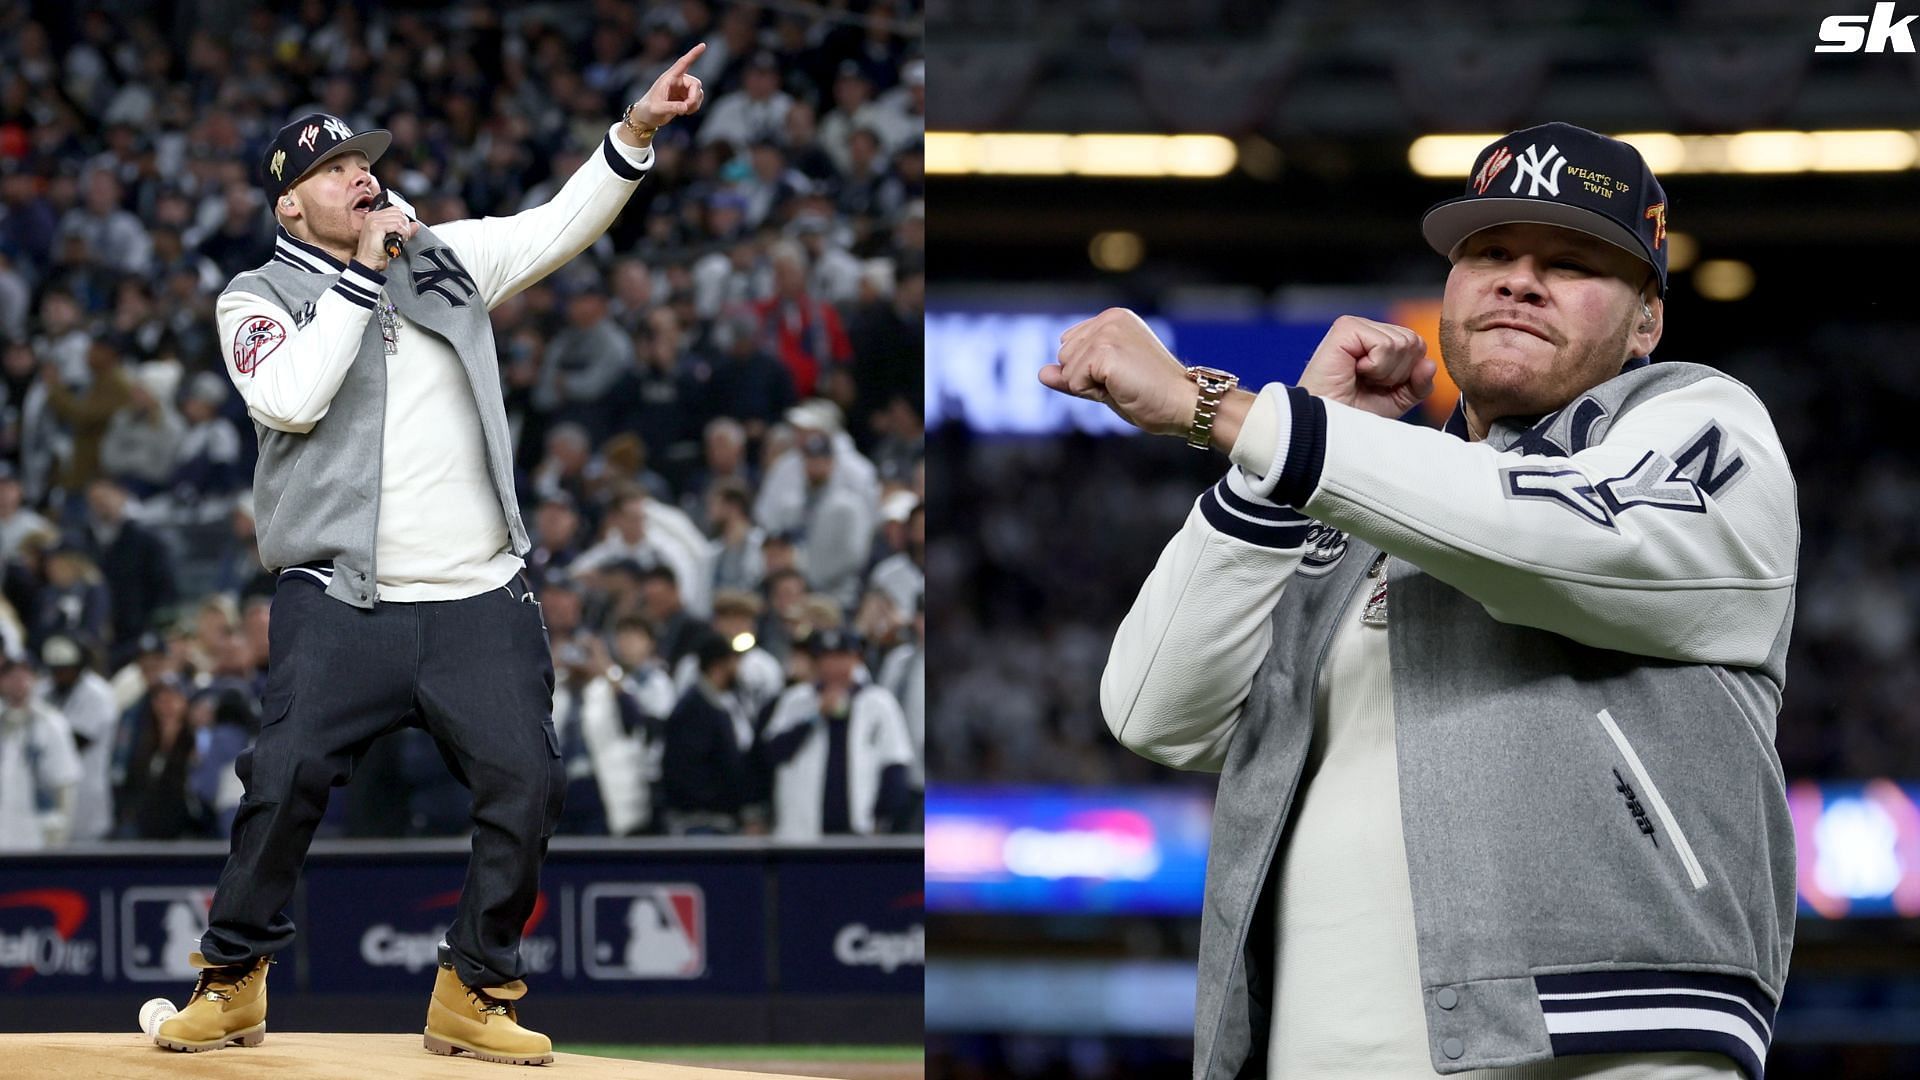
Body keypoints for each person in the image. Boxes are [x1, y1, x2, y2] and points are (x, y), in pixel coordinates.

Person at [1040, 123, 1797, 1080]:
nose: (1520, 280)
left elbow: (1543, 533)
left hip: (1601, 1037)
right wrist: (1271, 481)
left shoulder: (1702, 424)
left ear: (1645, 322)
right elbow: (1157, 712)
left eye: (1571, 263)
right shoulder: (1352, 485)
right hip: (1314, 1050)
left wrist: (1224, 411)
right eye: (1489, 254)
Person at [155, 45, 707, 1063]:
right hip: (341, 594)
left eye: (363, 162)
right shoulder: (257, 298)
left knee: (529, 786)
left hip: (477, 592)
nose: (359, 175)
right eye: (331, 171)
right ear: (290, 208)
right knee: (282, 780)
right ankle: (231, 981)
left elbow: (552, 227)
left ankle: (473, 987)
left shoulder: (443, 257)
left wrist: (633, 134)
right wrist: (364, 275)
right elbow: (289, 397)